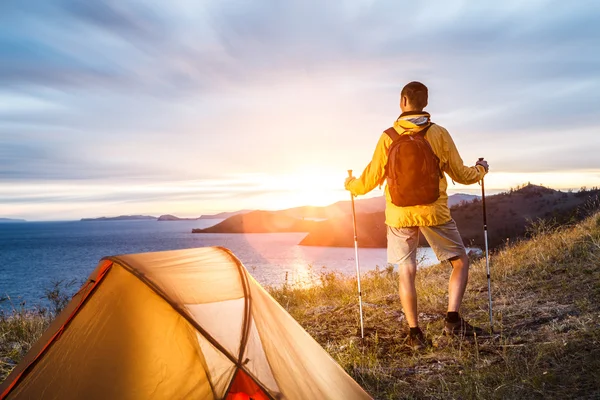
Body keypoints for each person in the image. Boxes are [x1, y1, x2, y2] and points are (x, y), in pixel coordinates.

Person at [345, 81, 489, 350]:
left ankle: (415, 333)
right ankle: (453, 322)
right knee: (460, 262)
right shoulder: (439, 134)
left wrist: (350, 184)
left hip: (399, 215)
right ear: (425, 103)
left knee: (407, 270)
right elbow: (461, 173)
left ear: (403, 101)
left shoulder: (388, 136)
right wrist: (481, 169)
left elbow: (369, 179)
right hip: (434, 210)